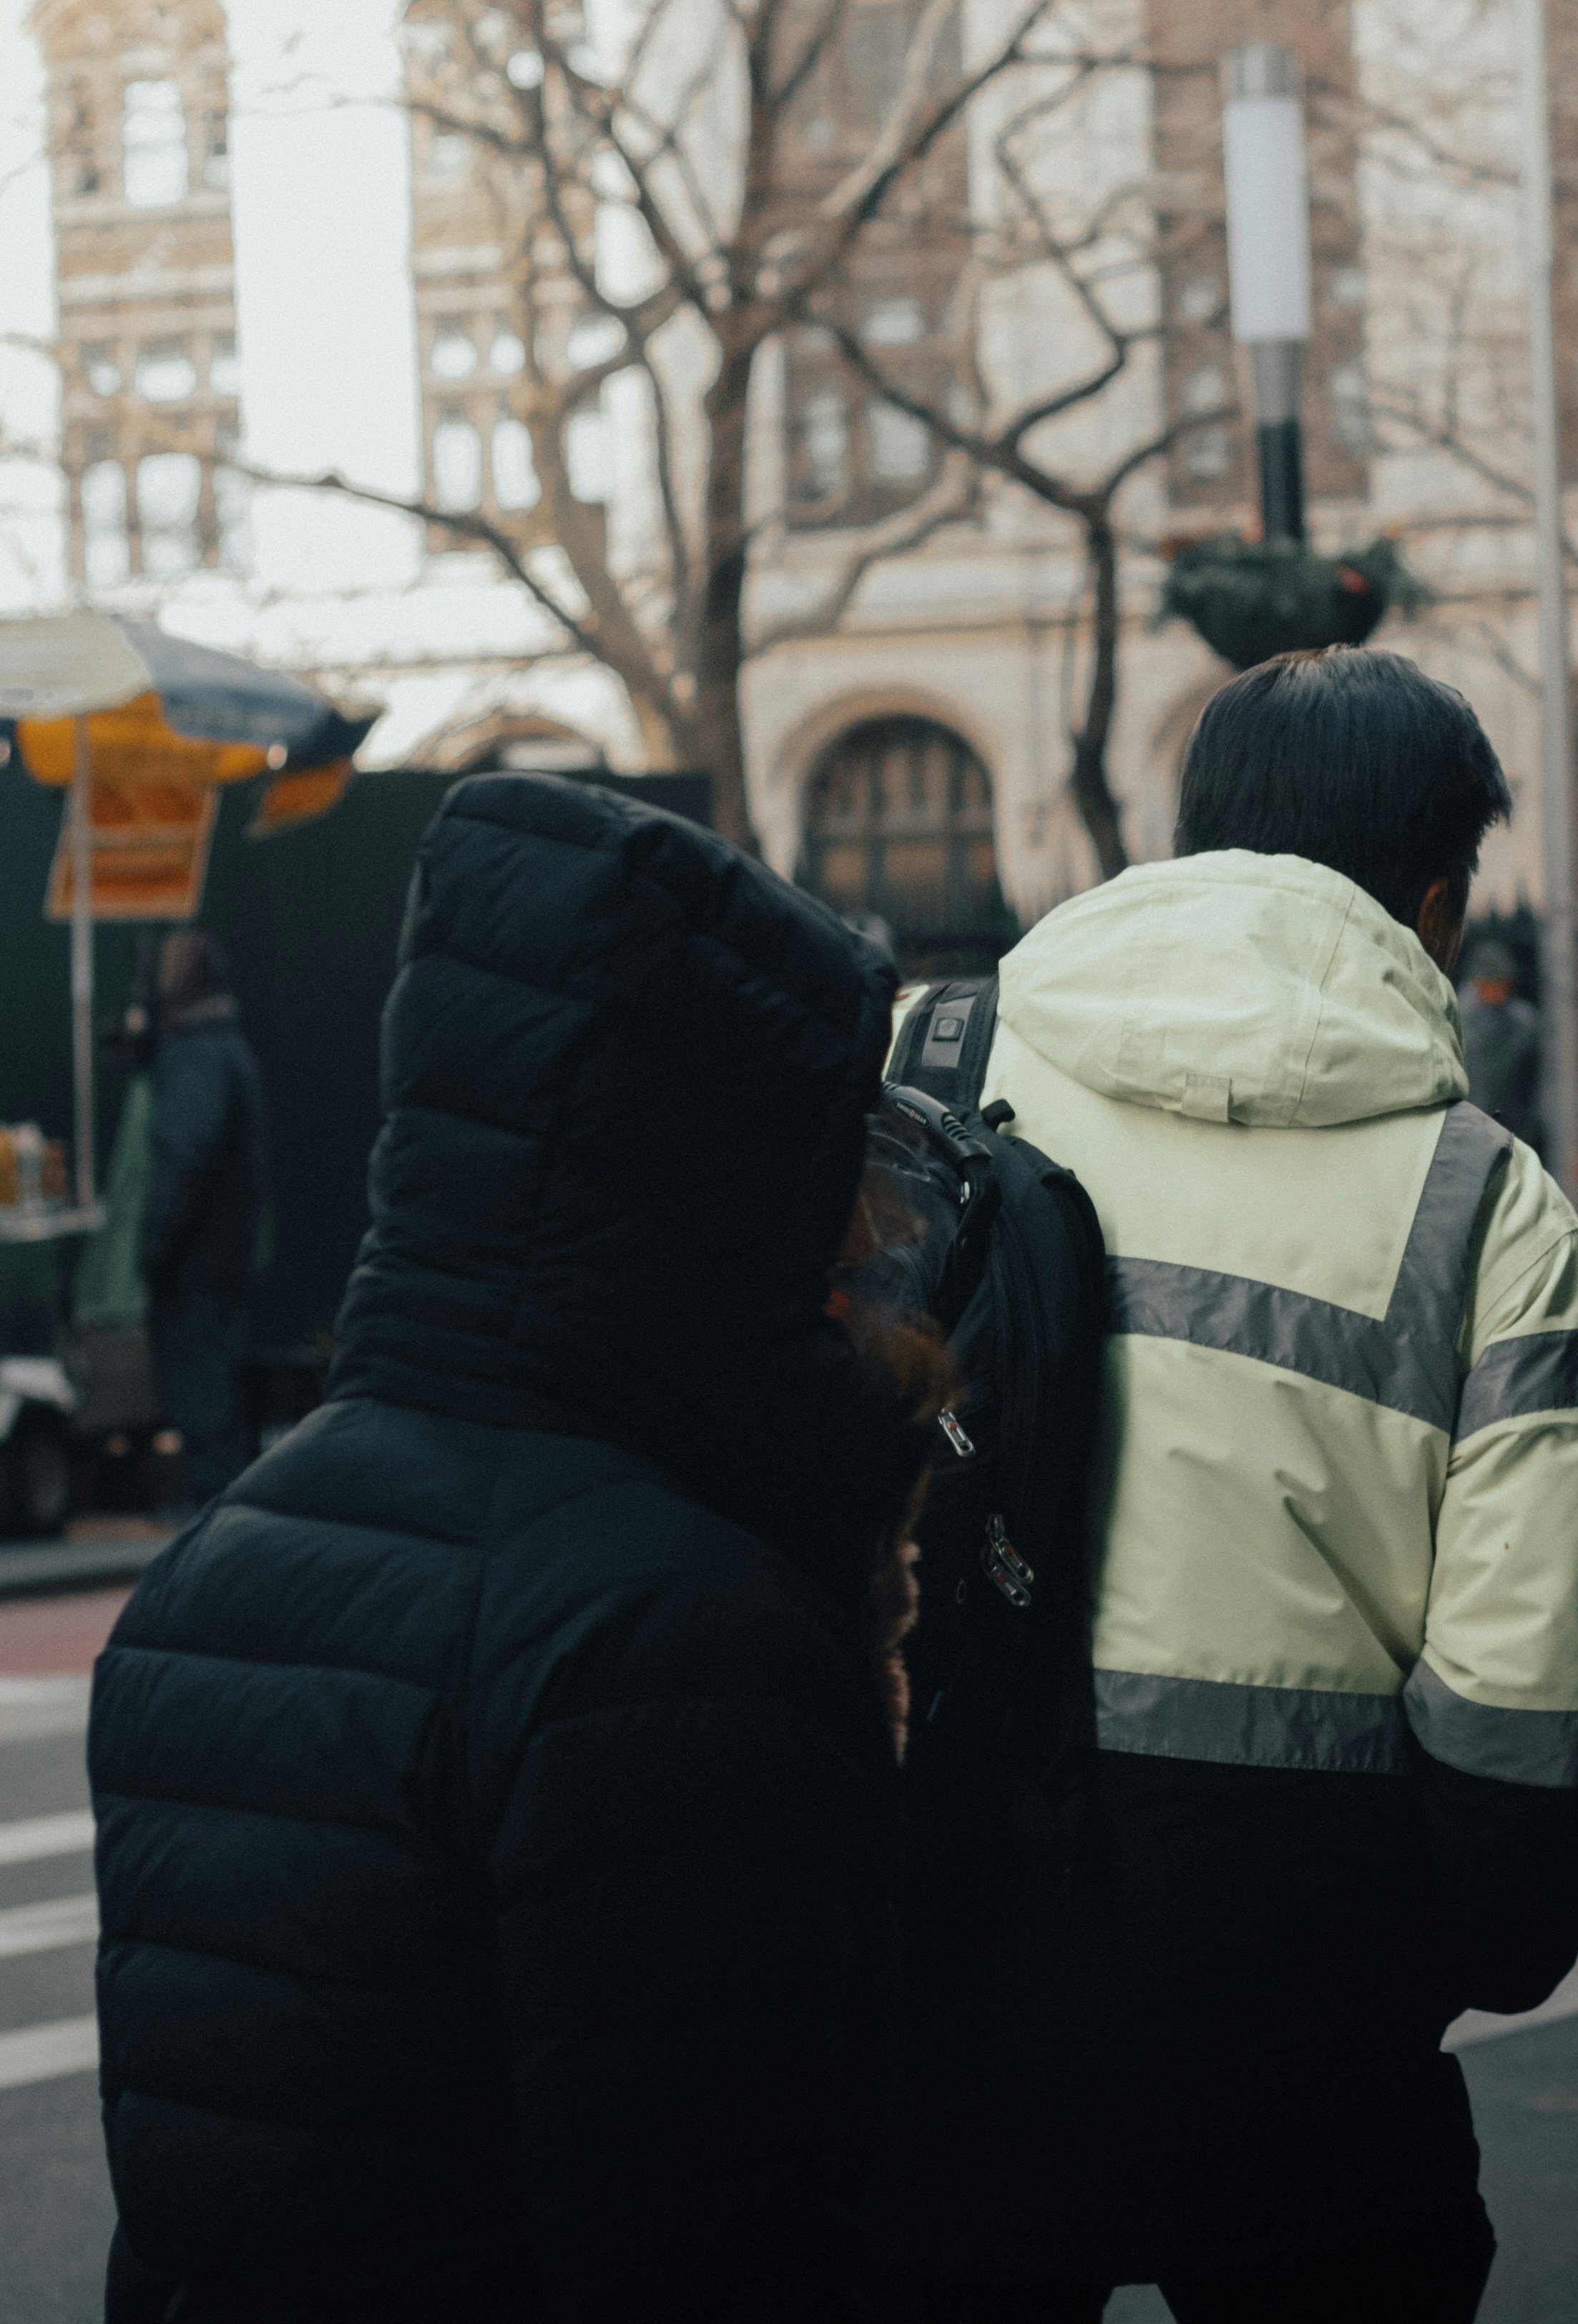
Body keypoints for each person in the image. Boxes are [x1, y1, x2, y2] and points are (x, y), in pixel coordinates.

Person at [861, 646, 1578, 2320]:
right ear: (1439, 897)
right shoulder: (1479, 1198)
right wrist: (1449, 1946)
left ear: (1196, 831)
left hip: (933, 1907)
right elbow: (1544, 1662)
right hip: (1300, 1964)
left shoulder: (928, 1066)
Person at [87, 774, 946, 2321]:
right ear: (725, 1174)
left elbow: (185, 2204)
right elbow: (718, 2248)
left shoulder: (201, 1576)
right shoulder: (675, 1629)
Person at [134, 928, 269, 1511]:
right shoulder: (228, 1047)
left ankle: (214, 1538)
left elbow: (183, 1160)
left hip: (196, 1271)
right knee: (226, 1412)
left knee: (206, 1415)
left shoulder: (197, 1058)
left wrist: (154, 1248)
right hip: (225, 1263)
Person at [1459, 939, 1542, 1148]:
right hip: (1469, 1127)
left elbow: (1532, 1081)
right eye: (1492, 984)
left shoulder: (1523, 1022)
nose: (1498, 992)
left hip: (1514, 1128)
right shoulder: (1458, 1019)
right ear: (1477, 982)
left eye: (1503, 985)